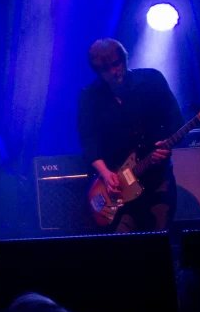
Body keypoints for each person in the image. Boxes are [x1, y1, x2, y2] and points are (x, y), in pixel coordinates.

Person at [77, 38, 185, 233]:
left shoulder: (152, 81)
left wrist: (166, 146)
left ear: (125, 59)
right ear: (98, 71)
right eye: (107, 68)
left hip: (156, 179)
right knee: (124, 251)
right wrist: (105, 173)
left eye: (118, 63)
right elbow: (88, 139)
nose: (115, 71)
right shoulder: (90, 97)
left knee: (160, 242)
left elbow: (175, 122)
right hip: (118, 185)